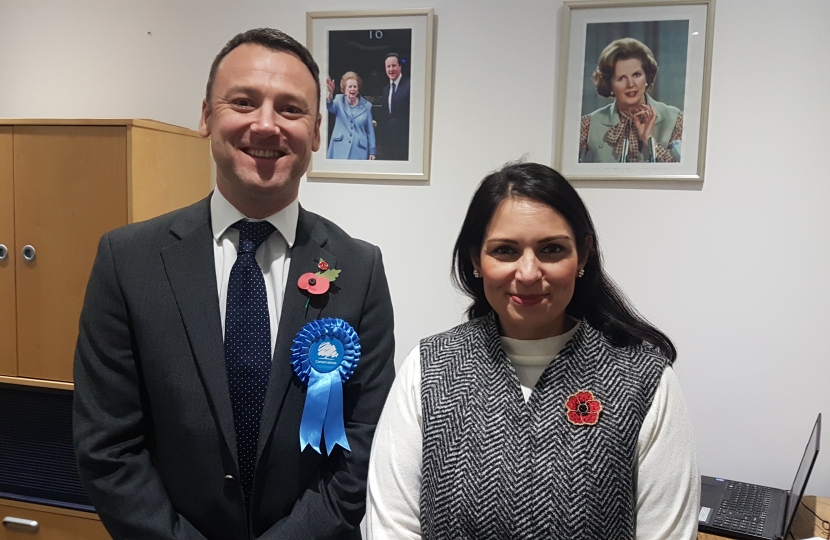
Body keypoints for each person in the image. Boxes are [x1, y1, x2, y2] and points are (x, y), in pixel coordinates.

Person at [73, 28, 395, 540]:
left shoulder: (360, 270)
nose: (266, 125)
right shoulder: (127, 261)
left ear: (316, 131)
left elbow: (364, 443)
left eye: (291, 109)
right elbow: (107, 449)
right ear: (206, 116)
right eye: (243, 101)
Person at [366, 162, 699, 539]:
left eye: (552, 249)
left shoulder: (644, 380)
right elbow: (392, 527)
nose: (527, 273)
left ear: (583, 256)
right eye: (505, 250)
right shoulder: (428, 369)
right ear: (477, 259)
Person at [580, 37, 683, 163]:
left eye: (636, 75)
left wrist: (648, 139)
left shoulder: (676, 119)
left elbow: (680, 173)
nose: (630, 84)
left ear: (647, 77)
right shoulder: (589, 124)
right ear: (609, 84)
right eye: (621, 78)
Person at [325, 71, 377, 160]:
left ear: (358, 89)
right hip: (339, 147)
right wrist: (330, 93)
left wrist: (372, 151)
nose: (352, 89)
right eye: (350, 86)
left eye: (355, 86)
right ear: (344, 89)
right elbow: (329, 106)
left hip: (358, 150)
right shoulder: (338, 100)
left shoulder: (367, 106)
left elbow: (370, 131)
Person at [375, 53, 410, 161]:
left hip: (405, 142)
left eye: (394, 65)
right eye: (388, 66)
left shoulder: (410, 85)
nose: (391, 69)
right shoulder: (385, 89)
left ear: (400, 66)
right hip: (389, 143)